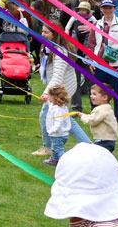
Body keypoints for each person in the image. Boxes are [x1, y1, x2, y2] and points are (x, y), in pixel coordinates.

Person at [32, 22, 89, 157]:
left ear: (55, 34)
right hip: (59, 88)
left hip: (63, 89)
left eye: (46, 32)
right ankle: (88, 145)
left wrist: (46, 93)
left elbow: (58, 75)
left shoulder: (60, 51)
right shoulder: (49, 48)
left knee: (48, 115)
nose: (43, 35)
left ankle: (48, 148)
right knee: (64, 117)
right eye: (43, 31)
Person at [83, 0, 118, 124]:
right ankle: (97, 115)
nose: (107, 10)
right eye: (104, 8)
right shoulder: (96, 24)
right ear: (101, 9)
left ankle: (117, 118)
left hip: (116, 65)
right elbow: (91, 44)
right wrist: (91, 60)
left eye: (110, 8)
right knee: (96, 91)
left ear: (114, 9)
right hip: (99, 65)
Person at [41, 84, 73, 167]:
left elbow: (58, 123)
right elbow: (50, 104)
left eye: (50, 96)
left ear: (54, 97)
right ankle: (54, 160)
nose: (49, 97)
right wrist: (46, 100)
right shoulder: (59, 105)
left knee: (58, 149)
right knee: (54, 148)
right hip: (61, 134)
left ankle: (65, 163)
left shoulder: (58, 110)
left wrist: (51, 130)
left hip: (57, 134)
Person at [81, 84, 118, 152]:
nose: (91, 96)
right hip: (109, 141)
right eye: (91, 94)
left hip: (103, 142)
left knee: (99, 159)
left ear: (104, 97)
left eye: (94, 94)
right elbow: (93, 117)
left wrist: (82, 116)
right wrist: (86, 115)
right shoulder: (107, 108)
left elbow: (92, 121)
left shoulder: (100, 109)